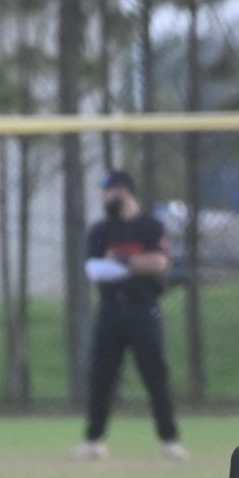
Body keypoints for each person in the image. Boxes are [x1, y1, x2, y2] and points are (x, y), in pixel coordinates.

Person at [75, 169, 185, 462]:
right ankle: (93, 440)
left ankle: (169, 440)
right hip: (111, 309)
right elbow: (95, 266)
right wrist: (135, 264)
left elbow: (159, 263)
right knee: (101, 375)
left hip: (142, 308)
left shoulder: (150, 228)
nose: (104, 198)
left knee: (155, 374)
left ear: (124, 191)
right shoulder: (101, 230)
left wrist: (124, 261)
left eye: (108, 191)